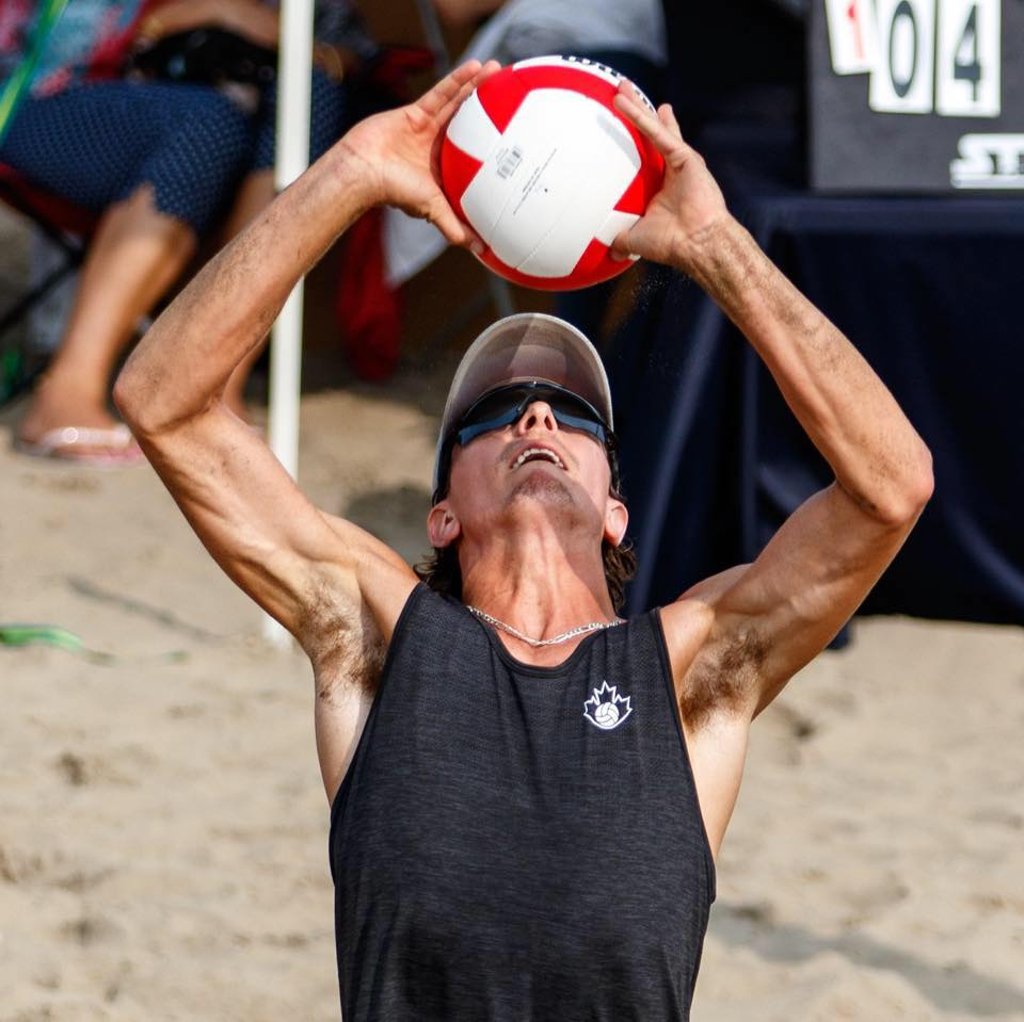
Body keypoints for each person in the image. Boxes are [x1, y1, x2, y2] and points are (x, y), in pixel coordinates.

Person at [113, 61, 934, 1019]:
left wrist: (715, 247)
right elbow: (162, 407)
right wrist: (353, 170)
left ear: (616, 508)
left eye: (575, 418)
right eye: (497, 413)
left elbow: (890, 487)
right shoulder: (379, 640)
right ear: (442, 514)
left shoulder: (694, 668)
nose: (539, 420)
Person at [0, 0, 374, 464]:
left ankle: (212, 385)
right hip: (38, 95)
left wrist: (272, 33)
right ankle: (66, 391)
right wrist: (181, 16)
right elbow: (63, 40)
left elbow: (352, 56)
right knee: (202, 126)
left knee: (307, 98)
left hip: (221, 119)